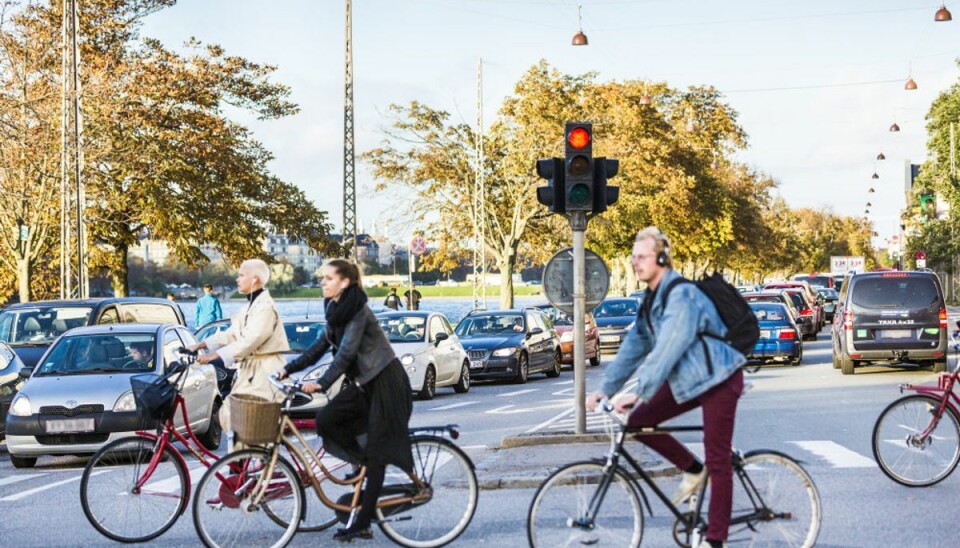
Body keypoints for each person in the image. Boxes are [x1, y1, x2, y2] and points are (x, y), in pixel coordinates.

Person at [586, 227, 746, 548]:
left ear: (661, 258)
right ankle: (692, 468)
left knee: (718, 458)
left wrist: (640, 390)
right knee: (637, 422)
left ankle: (716, 539)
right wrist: (606, 389)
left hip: (719, 377)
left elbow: (670, 345)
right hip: (688, 379)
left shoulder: (681, 295)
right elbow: (634, 346)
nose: (635, 263)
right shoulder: (651, 299)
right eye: (633, 257)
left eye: (642, 256)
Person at [279, 258, 413, 543]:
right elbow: (320, 346)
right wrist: (288, 369)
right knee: (326, 420)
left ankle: (362, 521)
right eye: (323, 278)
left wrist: (322, 382)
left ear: (345, 282)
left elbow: (346, 354)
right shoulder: (335, 310)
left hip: (386, 383)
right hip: (364, 384)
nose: (323, 282)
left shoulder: (358, 311)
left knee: (376, 454)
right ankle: (365, 466)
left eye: (328, 278)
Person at [188, 259, 289, 450]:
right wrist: (201, 344)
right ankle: (242, 469)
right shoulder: (249, 307)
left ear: (255, 279)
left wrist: (213, 356)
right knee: (231, 419)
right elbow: (232, 333)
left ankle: (254, 468)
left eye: (242, 275)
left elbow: (250, 340)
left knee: (239, 419)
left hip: (264, 372)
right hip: (251, 372)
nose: (237, 279)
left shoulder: (265, 308)